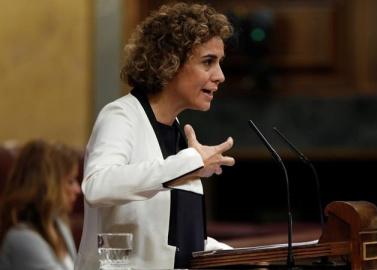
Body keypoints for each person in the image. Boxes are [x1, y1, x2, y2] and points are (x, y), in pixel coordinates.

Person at [74, 2, 236, 269]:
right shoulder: (120, 115)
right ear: (169, 61)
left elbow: (175, 240)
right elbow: (96, 186)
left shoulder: (178, 133)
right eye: (208, 62)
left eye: (219, 63)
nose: (220, 76)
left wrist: (239, 256)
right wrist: (189, 163)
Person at [0, 139, 81, 270]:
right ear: (47, 185)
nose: (78, 189)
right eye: (70, 181)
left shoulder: (59, 225)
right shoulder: (23, 238)